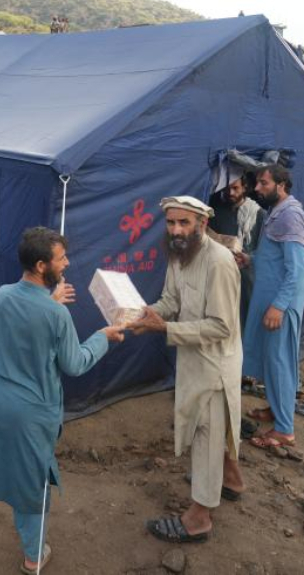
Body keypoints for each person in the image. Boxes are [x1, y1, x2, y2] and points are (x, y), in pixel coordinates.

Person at [0, 227, 122, 571]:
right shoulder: (57, 315)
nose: (67, 263)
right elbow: (74, 364)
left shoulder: (3, 295)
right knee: (31, 483)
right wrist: (102, 336)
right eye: (61, 259)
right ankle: (33, 558)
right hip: (33, 414)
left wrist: (49, 303)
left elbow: (24, 321)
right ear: (40, 265)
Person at [127, 197, 245, 544]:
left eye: (184, 223)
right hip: (192, 358)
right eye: (171, 223)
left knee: (208, 434)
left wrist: (164, 329)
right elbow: (172, 302)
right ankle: (233, 482)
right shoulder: (179, 254)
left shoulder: (219, 262)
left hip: (215, 364)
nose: (176, 230)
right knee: (213, 428)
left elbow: (222, 327)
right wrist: (143, 313)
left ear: (202, 224)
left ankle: (199, 519)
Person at [242, 165, 304, 450]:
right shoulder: (277, 212)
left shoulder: (291, 216)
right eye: (257, 182)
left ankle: (284, 430)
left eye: (264, 183)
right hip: (269, 300)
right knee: (274, 360)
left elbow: (296, 270)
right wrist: (250, 259)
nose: (257, 188)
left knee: (279, 363)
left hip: (278, 305)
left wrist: (279, 307)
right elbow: (273, 257)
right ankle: (276, 408)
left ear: (281, 185)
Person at [210, 176, 264, 326]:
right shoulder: (216, 211)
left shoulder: (258, 214)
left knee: (246, 319)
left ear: (245, 188)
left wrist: (248, 258)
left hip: (247, 277)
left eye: (235, 188)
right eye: (227, 189)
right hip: (222, 274)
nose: (231, 192)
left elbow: (264, 249)